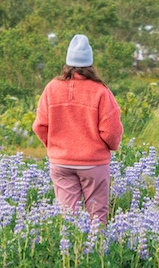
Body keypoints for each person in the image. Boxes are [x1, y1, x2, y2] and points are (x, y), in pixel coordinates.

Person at [32, 34, 122, 223]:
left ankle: (70, 251)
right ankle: (95, 250)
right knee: (97, 216)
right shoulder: (100, 91)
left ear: (67, 63)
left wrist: (55, 145)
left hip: (61, 162)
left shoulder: (52, 88)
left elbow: (40, 125)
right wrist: (110, 147)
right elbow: (112, 131)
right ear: (90, 63)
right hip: (93, 162)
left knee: (68, 216)